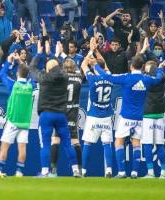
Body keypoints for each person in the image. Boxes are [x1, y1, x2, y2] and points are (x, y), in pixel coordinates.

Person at [95, 55, 165, 178]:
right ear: (142, 67)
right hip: (139, 118)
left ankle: (122, 172)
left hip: (126, 116)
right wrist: (159, 68)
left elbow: (106, 76)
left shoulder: (126, 78)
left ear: (131, 66)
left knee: (119, 141)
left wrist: (95, 65)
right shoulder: (147, 79)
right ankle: (134, 172)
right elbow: (158, 78)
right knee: (136, 143)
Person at [30, 41, 80, 178]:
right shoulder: (64, 76)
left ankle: (45, 171)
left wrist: (39, 54)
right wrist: (52, 53)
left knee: (45, 144)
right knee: (68, 144)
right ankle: (76, 170)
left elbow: (32, 68)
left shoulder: (44, 78)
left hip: (46, 115)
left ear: (47, 69)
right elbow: (61, 65)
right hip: (61, 115)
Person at [0, 53, 33, 177]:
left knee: (4, 146)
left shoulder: (14, 85)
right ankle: (19, 172)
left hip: (13, 121)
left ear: (17, 74)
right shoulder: (30, 86)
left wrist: (8, 61)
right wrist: (20, 62)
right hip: (25, 122)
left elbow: (2, 74)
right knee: (22, 148)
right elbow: (32, 75)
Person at [80, 41, 114, 177]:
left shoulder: (92, 78)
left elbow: (83, 64)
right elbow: (104, 65)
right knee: (107, 144)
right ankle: (109, 170)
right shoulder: (110, 77)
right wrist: (96, 53)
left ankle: (83, 171)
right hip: (106, 115)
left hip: (94, 115)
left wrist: (90, 51)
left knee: (87, 143)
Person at [49, 58, 83, 176]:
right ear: (73, 68)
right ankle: (79, 169)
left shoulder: (61, 78)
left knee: (55, 140)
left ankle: (53, 169)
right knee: (75, 141)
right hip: (73, 113)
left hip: (61, 111)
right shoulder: (79, 78)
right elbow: (80, 69)